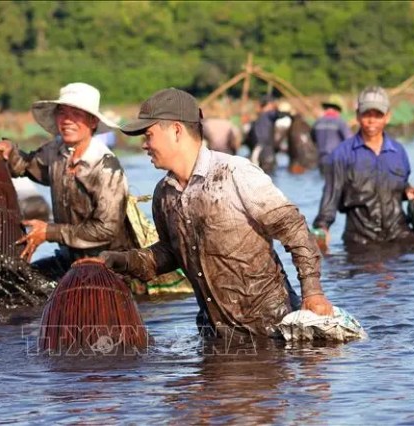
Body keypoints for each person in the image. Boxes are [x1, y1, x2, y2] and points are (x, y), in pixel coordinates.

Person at [99, 88, 333, 340]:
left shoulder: (234, 173)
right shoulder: (164, 194)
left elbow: (295, 230)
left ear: (176, 130)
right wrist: (122, 261)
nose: (144, 145)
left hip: (270, 330)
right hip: (216, 334)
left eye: (149, 135)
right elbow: (170, 253)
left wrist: (313, 293)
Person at [0, 82, 137, 281]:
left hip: (110, 264)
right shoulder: (56, 151)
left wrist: (49, 232)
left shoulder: (105, 167)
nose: (67, 120)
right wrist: (10, 151)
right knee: (15, 280)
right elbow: (27, 166)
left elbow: (106, 229)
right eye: (62, 112)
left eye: (77, 113)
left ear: (93, 122)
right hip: (69, 259)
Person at [312, 86, 414, 248]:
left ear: (387, 117)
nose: (372, 120)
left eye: (378, 115)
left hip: (399, 235)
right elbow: (331, 194)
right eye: (366, 114)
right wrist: (322, 227)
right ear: (358, 116)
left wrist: (408, 191)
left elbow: (401, 184)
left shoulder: (398, 151)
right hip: (360, 240)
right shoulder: (341, 154)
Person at [310, 94, 353, 173]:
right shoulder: (340, 122)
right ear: (337, 110)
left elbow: (313, 139)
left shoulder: (317, 123)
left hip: (322, 160)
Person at [244, 94, 278, 175]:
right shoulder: (268, 115)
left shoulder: (257, 121)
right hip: (265, 152)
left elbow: (247, 140)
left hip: (258, 151)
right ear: (269, 105)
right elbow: (279, 114)